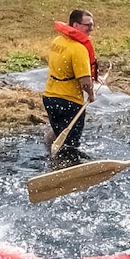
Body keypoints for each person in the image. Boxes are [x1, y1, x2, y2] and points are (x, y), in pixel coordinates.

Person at [43, 9, 97, 154]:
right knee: (71, 146)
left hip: (50, 98)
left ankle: (51, 158)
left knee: (58, 133)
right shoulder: (79, 49)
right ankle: (66, 169)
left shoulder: (58, 41)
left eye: (92, 25)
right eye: (88, 25)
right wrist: (91, 95)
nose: (91, 29)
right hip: (70, 103)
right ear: (75, 25)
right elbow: (85, 82)